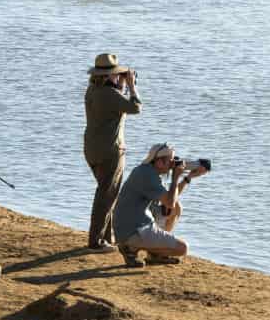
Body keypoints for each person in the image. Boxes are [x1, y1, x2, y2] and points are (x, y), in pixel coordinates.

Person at [113, 143, 207, 267]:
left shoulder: (147, 170)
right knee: (183, 248)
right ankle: (131, 248)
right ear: (159, 161)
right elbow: (169, 202)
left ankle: (153, 253)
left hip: (129, 225)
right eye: (170, 160)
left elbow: (170, 200)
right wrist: (175, 177)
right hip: (133, 230)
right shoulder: (148, 175)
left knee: (176, 208)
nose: (173, 163)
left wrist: (187, 178)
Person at [83, 53, 142, 252]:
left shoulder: (92, 90)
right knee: (106, 195)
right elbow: (135, 108)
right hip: (110, 150)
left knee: (105, 192)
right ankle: (96, 242)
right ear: (108, 76)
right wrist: (132, 86)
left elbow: (115, 106)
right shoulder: (110, 95)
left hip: (92, 148)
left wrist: (121, 85)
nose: (119, 77)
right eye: (116, 75)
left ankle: (106, 236)